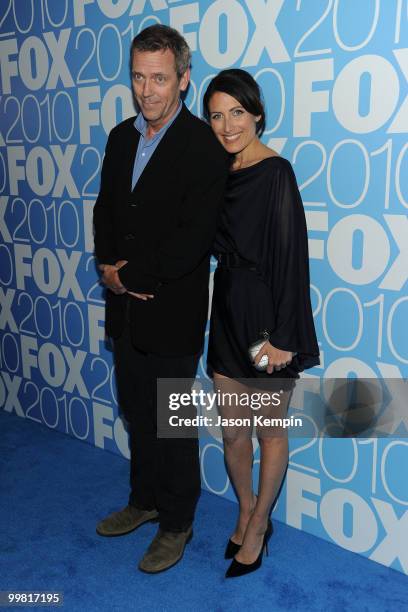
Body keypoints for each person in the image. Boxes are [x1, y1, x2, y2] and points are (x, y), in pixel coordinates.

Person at [93, 24, 228, 574]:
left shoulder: (202, 145)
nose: (147, 91)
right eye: (138, 78)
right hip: (126, 310)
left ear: (183, 80)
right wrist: (107, 265)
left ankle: (177, 521)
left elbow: (192, 239)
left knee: (171, 422)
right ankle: (144, 500)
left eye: (159, 78)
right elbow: (105, 209)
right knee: (135, 410)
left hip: (172, 312)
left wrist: (128, 276)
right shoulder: (122, 136)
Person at [203, 69, 319, 578]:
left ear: (257, 116)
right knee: (233, 434)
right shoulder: (214, 173)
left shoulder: (277, 173)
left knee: (270, 433)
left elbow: (293, 260)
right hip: (226, 308)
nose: (227, 126)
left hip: (266, 318)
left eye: (237, 113)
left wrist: (284, 337)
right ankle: (246, 509)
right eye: (216, 115)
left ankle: (258, 527)